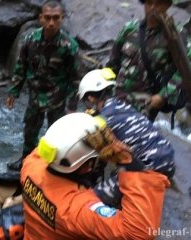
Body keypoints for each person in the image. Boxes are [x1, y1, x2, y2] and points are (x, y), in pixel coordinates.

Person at [21, 112, 170, 239]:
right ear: (87, 166)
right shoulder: (75, 210)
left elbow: (53, 147)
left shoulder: (31, 166)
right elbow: (138, 233)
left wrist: (80, 125)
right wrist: (128, 161)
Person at [78, 68, 176, 207]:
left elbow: (91, 150)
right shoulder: (122, 105)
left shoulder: (102, 120)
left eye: (86, 101)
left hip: (149, 168)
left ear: (90, 98)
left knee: (90, 202)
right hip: (167, 159)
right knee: (118, 177)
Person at [6, 0, 80, 171]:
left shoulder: (69, 46)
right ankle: (26, 160)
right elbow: (20, 66)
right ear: (40, 18)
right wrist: (13, 92)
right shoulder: (30, 40)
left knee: (57, 134)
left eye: (56, 18)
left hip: (57, 97)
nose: (51, 23)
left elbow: (76, 78)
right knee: (30, 130)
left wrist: (72, 106)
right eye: (47, 18)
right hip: (35, 96)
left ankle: (54, 165)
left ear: (62, 19)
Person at [106, 0, 189, 122]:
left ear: (168, 5)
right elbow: (113, 61)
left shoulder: (176, 36)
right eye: (149, 3)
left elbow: (184, 71)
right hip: (117, 95)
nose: (153, 8)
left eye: (158, 3)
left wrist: (163, 95)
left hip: (146, 101)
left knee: (133, 137)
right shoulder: (130, 29)